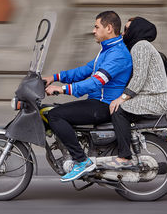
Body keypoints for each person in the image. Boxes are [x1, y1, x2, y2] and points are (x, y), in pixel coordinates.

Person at [43, 11, 132, 182]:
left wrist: (62, 89)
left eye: (96, 26)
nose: (93, 30)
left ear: (109, 28)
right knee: (54, 110)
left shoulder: (118, 54)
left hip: (103, 105)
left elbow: (96, 82)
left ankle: (81, 161)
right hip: (96, 101)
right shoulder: (107, 50)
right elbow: (84, 71)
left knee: (55, 115)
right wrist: (53, 77)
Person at [107, 17, 167, 168]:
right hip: (149, 96)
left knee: (119, 110)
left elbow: (139, 77)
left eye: (127, 29)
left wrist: (122, 98)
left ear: (137, 30)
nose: (123, 33)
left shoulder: (141, 46)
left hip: (155, 98)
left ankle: (124, 156)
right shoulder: (139, 46)